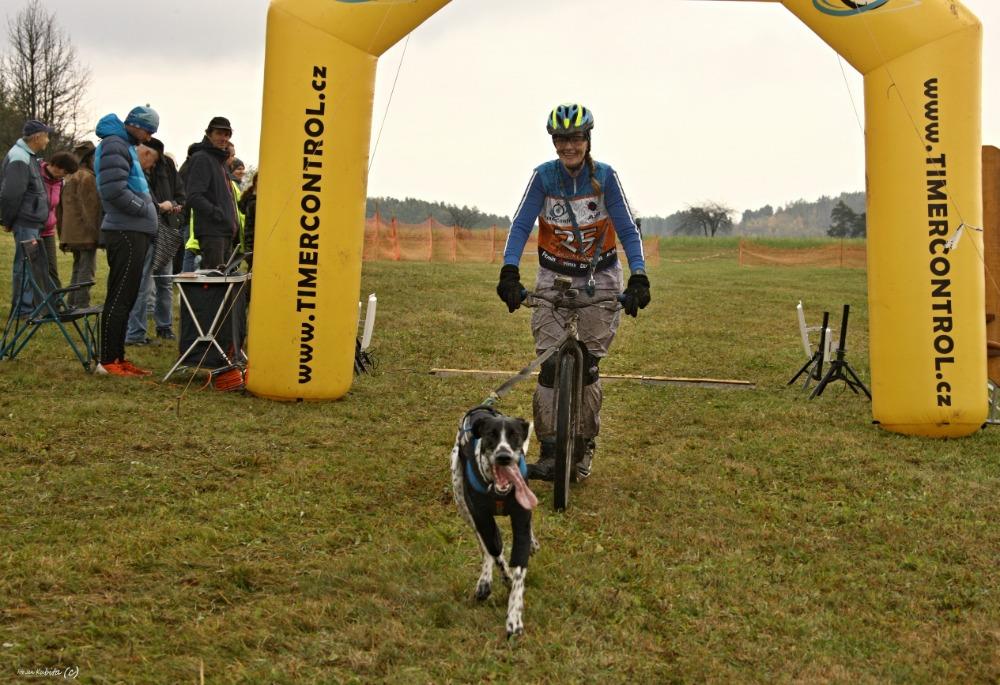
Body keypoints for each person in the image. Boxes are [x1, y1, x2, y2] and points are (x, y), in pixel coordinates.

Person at [496, 103, 651, 481]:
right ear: (554, 141)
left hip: (601, 275)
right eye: (561, 139)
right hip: (554, 274)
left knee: (589, 367)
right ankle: (551, 450)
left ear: (587, 140)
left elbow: (628, 230)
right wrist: (509, 271)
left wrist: (639, 276)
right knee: (549, 364)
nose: (569, 146)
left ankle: (583, 445)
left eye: (576, 138)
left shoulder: (605, 178)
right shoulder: (543, 177)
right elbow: (521, 225)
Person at [93, 105, 161, 377]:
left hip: (134, 230)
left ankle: (118, 357)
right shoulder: (114, 144)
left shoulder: (124, 145)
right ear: (135, 124)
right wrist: (143, 208)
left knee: (128, 296)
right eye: (148, 130)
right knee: (120, 296)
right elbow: (113, 190)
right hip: (125, 230)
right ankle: (108, 360)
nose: (149, 137)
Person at [125, 136, 184, 345]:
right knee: (143, 283)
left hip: (165, 230)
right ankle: (136, 333)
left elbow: (181, 194)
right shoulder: (132, 167)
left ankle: (164, 327)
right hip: (145, 231)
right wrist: (159, 207)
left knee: (164, 282)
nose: (151, 164)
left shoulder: (167, 166)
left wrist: (174, 204)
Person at [1, 119, 53, 318]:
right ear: (37, 137)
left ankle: (28, 306)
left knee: (29, 264)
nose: (48, 140)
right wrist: (7, 220)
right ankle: (22, 311)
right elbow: (11, 194)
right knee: (24, 265)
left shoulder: (26, 155)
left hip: (31, 220)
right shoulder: (19, 157)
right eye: (46, 136)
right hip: (25, 221)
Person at [183, 116, 240, 270]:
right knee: (214, 280)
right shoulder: (202, 158)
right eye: (219, 133)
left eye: (227, 135)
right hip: (212, 233)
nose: (224, 138)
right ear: (209, 134)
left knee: (223, 281)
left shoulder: (219, 161)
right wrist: (217, 214)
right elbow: (194, 196)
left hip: (224, 232)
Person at [58, 141, 102, 308]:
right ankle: (82, 305)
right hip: (85, 233)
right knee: (86, 270)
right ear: (89, 158)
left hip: (71, 233)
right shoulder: (87, 177)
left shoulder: (71, 176)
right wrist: (97, 234)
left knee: (78, 268)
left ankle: (72, 303)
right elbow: (91, 209)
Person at [40, 151, 80, 287]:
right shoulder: (36, 175)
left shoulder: (60, 183)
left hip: (48, 231)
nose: (65, 175)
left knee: (52, 269)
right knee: (34, 269)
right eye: (65, 171)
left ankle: (55, 298)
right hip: (32, 228)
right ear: (57, 165)